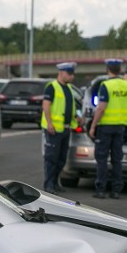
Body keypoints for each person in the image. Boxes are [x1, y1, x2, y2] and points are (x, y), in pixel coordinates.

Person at [88, 58, 127, 199]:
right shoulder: (126, 85)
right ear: (120, 70)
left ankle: (101, 189)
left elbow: (101, 108)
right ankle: (116, 191)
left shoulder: (105, 85)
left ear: (107, 69)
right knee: (116, 159)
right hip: (120, 127)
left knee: (102, 158)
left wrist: (93, 126)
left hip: (106, 126)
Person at [41, 61, 78, 194]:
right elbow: (46, 106)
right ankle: (49, 184)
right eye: (69, 74)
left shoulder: (68, 88)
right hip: (54, 129)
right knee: (52, 158)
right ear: (61, 73)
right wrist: (50, 123)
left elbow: (70, 108)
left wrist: (76, 119)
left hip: (65, 129)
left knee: (61, 159)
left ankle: (55, 182)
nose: (72, 76)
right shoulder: (52, 87)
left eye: (72, 74)